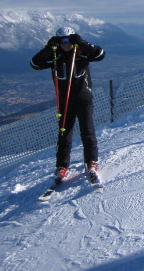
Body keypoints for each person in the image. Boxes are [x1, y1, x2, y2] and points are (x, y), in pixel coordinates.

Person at [30, 27, 105, 186]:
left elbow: (100, 54)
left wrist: (82, 43)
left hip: (83, 98)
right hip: (64, 101)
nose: (66, 44)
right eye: (62, 41)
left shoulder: (81, 53)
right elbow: (35, 64)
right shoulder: (55, 56)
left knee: (87, 131)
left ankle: (91, 161)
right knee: (64, 133)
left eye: (69, 40)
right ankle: (62, 166)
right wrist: (48, 49)